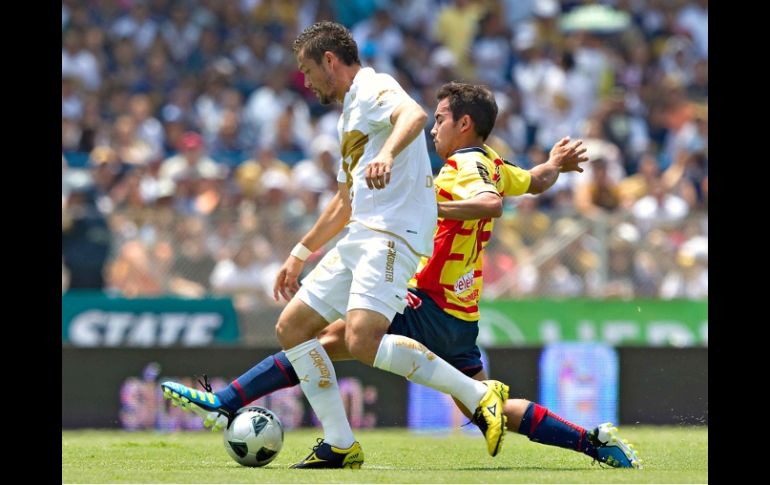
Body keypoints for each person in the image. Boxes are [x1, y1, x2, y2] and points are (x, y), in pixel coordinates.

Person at [162, 82, 642, 469]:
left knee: (320, 340)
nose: (434, 129)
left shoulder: (463, 164)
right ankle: (594, 443)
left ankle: (229, 400)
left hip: (429, 303)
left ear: (465, 123)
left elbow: (490, 206)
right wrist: (553, 165)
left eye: (439, 119)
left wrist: (431, 205)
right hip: (460, 315)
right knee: (484, 410)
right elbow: (531, 183)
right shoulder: (494, 162)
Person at [163, 23, 509, 468]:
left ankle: (479, 397)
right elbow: (345, 201)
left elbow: (415, 116)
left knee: (363, 339)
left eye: (308, 71)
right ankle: (340, 443)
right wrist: (299, 254)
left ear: (330, 61)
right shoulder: (349, 117)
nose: (306, 82)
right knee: (291, 328)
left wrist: (387, 155)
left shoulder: (372, 86)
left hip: (391, 234)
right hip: (361, 233)